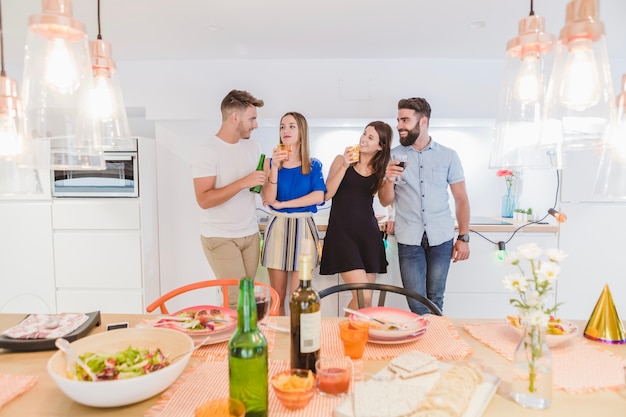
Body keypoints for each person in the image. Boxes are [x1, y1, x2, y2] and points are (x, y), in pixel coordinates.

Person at [379, 97, 470, 315]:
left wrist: (463, 237)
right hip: (409, 238)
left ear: (423, 122)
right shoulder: (392, 156)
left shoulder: (448, 156)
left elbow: (461, 199)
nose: (399, 126)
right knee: (416, 301)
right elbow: (384, 200)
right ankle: (425, 344)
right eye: (398, 120)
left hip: (441, 237)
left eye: (405, 120)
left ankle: (434, 345)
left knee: (436, 297)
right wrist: (388, 179)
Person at [191, 89, 266, 310]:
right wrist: (243, 182)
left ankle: (249, 343)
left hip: (250, 234)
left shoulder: (253, 147)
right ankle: (231, 345)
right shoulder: (206, 151)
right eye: (252, 118)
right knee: (235, 301)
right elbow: (204, 199)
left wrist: (271, 175)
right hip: (220, 237)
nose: (255, 125)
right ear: (235, 117)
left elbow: (257, 189)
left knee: (248, 296)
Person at [320, 121, 392, 310]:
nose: (363, 139)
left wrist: (390, 180)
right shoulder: (341, 159)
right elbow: (327, 194)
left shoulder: (380, 171)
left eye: (370, 137)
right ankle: (345, 336)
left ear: (380, 146)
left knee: (366, 302)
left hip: (368, 235)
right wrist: (344, 165)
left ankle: (352, 336)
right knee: (363, 296)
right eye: (364, 133)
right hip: (342, 234)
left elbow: (386, 201)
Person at [260, 112, 326, 315]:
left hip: (304, 228)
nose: (285, 131)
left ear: (302, 132)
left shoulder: (313, 164)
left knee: (299, 294)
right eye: (282, 127)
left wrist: (284, 204)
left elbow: (319, 196)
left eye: (291, 126)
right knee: (277, 294)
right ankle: (277, 342)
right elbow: (270, 199)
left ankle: (298, 339)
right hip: (278, 227)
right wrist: (275, 169)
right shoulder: (269, 162)